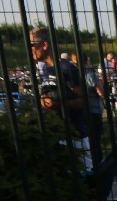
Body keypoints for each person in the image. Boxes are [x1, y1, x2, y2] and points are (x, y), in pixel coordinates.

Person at [29, 28, 90, 166]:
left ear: (45, 45)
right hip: (53, 133)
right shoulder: (40, 70)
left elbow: (83, 101)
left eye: (32, 44)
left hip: (75, 134)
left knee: (86, 174)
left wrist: (57, 105)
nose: (30, 49)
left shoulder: (66, 68)